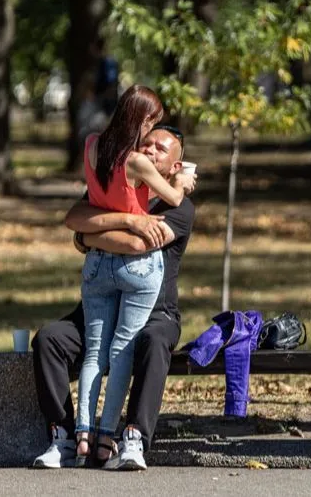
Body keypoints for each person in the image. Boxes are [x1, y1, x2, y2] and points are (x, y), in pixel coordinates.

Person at [31, 125, 195, 471]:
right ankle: (63, 436)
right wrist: (123, 222)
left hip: (153, 313)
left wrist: (90, 238)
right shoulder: (111, 187)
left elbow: (140, 244)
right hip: (101, 307)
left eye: (161, 149)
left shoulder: (179, 207)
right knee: (50, 340)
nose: (150, 150)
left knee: (154, 342)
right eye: (146, 143)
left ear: (175, 168)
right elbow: (75, 218)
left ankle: (134, 438)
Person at [74, 86, 195, 468]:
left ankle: (81, 433)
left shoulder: (94, 146)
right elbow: (171, 204)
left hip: (97, 263)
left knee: (96, 350)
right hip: (133, 268)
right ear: (142, 120)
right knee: (120, 349)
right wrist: (181, 184)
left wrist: (89, 236)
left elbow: (84, 216)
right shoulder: (136, 164)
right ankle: (107, 437)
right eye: (152, 127)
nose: (150, 139)